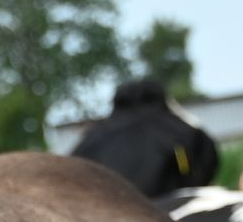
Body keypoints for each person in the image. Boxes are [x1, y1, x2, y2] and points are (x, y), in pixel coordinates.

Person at [69, 77, 221, 197]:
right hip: (168, 213)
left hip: (107, 218)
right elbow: (200, 166)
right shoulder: (180, 134)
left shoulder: (90, 143)